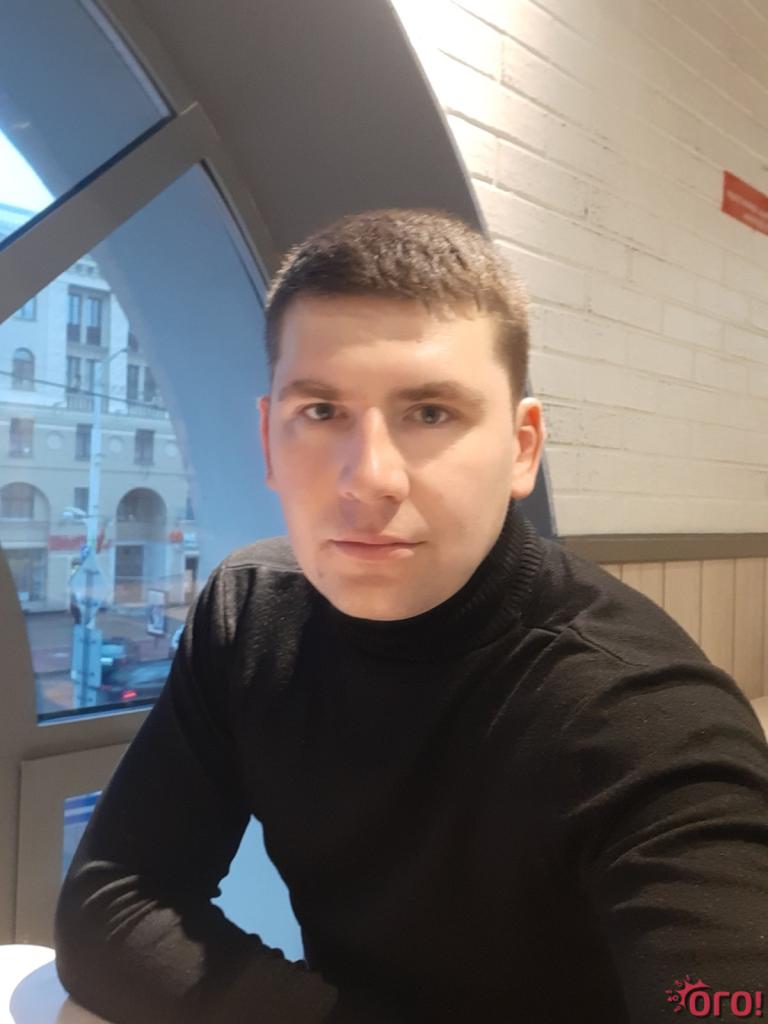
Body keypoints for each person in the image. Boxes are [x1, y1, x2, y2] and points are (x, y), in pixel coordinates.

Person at [54, 209, 768, 1023]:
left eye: (430, 413)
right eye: (321, 412)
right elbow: (112, 903)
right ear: (268, 441)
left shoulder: (646, 720)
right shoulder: (250, 613)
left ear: (523, 448)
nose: (370, 479)